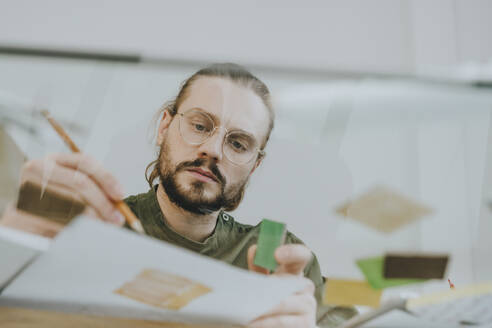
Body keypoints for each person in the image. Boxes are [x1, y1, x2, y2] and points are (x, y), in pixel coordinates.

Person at [2, 63, 356, 327]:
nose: (213, 149)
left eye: (238, 143)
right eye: (200, 125)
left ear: (254, 166)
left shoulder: (277, 253)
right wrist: (12, 249)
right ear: (165, 127)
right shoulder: (91, 228)